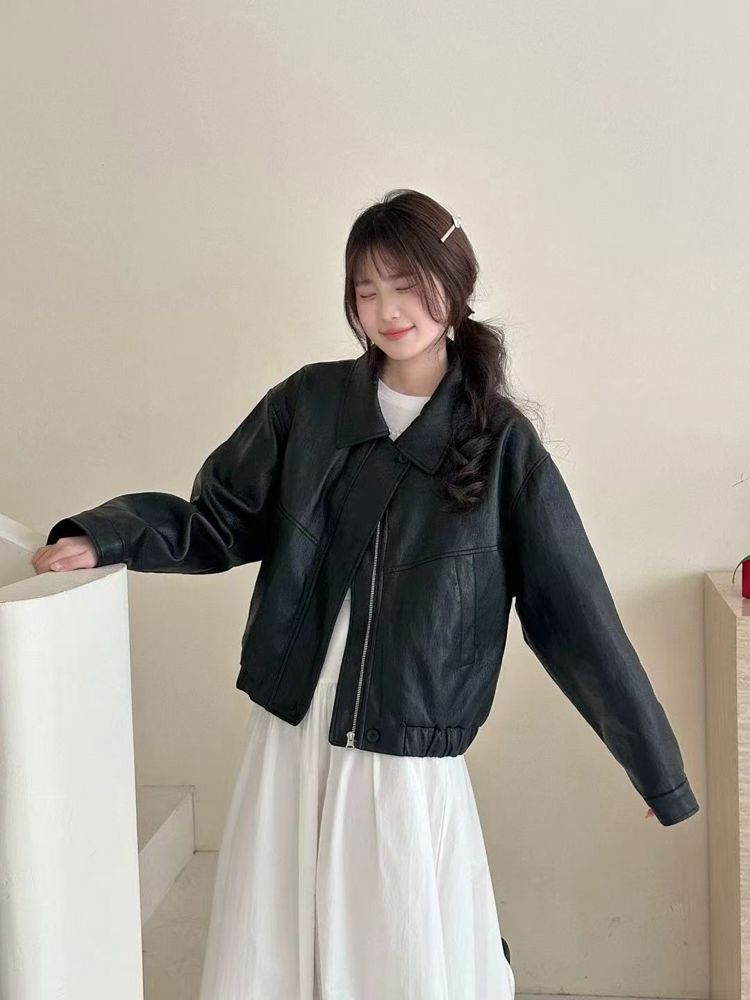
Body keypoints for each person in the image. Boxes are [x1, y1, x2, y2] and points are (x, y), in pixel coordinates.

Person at [33, 188, 698, 998]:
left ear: (454, 285)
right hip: (297, 722)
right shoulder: (310, 404)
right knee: (280, 945)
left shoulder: (499, 445)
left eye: (408, 284)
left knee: (396, 949)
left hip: (402, 743)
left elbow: (576, 616)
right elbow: (218, 519)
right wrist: (108, 534)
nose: (388, 310)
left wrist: (654, 767)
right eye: (367, 289)